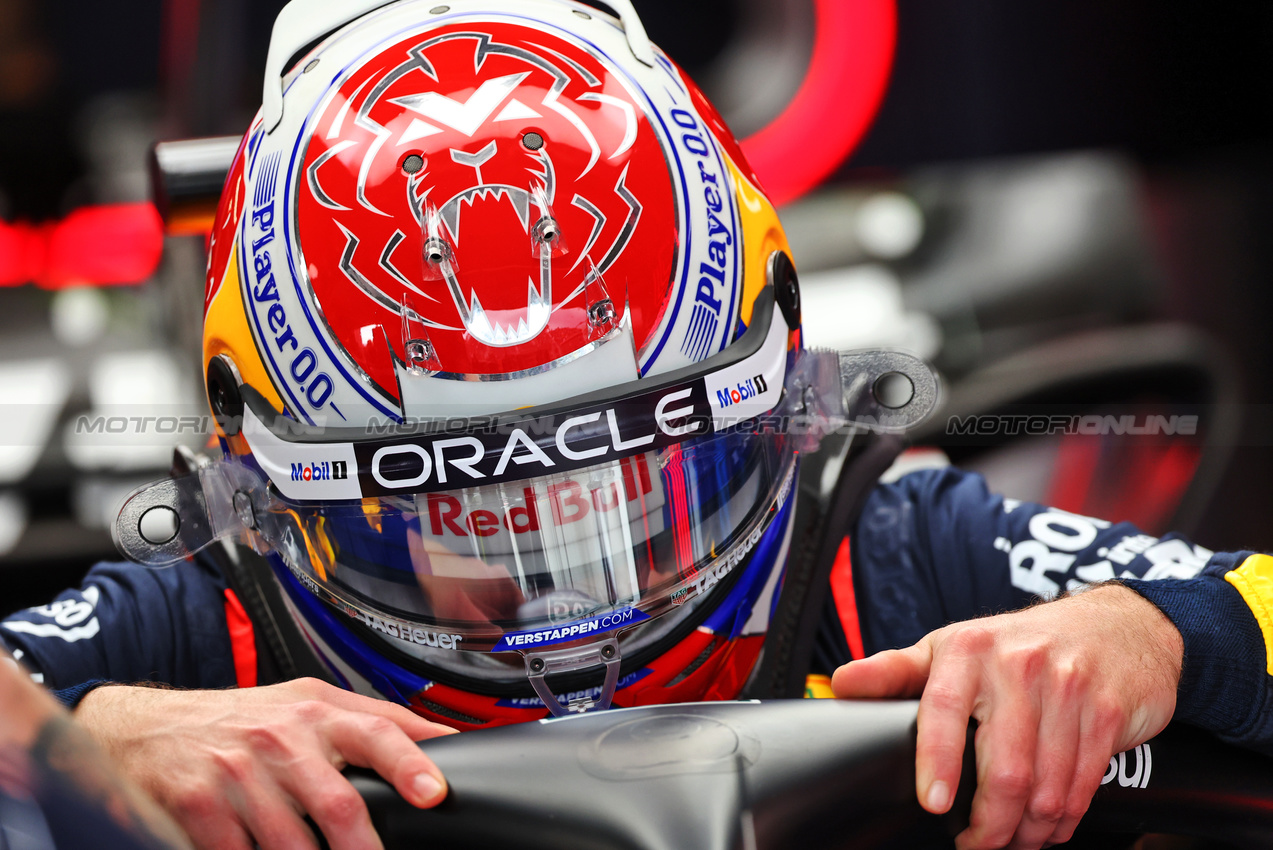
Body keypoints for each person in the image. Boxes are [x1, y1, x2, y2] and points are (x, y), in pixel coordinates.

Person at [0, 2, 1268, 850]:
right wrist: (91, 735)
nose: (566, 618)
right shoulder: (195, 633)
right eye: (468, 525)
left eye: (631, 493)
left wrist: (1145, 630)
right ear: (264, 492)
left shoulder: (880, 548)